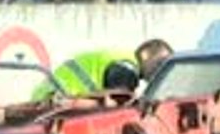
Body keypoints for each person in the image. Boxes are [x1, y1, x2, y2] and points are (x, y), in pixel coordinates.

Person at [31, 38, 174, 101]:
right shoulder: (127, 68)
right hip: (55, 102)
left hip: (49, 98)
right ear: (145, 54)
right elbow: (117, 104)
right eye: (159, 62)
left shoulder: (120, 57)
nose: (161, 69)